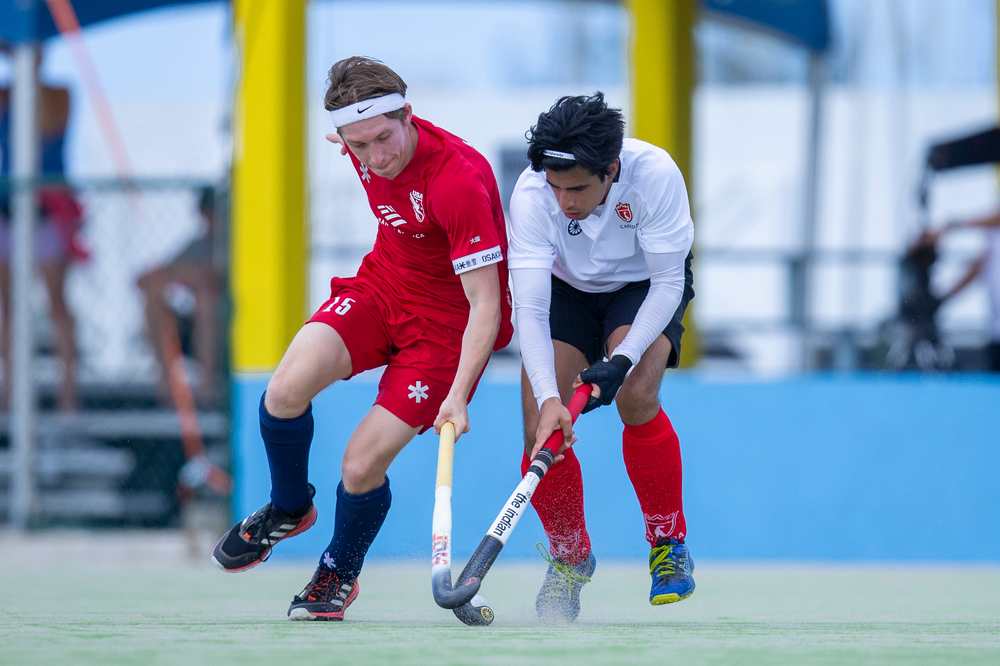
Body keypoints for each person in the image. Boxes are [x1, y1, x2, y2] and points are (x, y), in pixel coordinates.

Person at [212, 57, 513, 621]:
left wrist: (457, 394)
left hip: (445, 331)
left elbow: (487, 305)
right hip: (381, 289)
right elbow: (359, 137)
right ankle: (289, 508)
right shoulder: (362, 142)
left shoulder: (457, 182)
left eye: (383, 139)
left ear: (408, 116)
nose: (376, 157)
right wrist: (352, 140)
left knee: (358, 466)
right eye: (358, 145)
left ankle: (337, 573)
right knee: (284, 391)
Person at [508, 93, 695, 622]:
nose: (563, 201)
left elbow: (668, 282)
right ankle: (570, 557)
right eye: (555, 187)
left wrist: (621, 360)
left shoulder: (654, 175)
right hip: (565, 292)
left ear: (611, 169)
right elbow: (531, 308)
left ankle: (667, 541)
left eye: (578, 189)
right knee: (539, 427)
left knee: (635, 393)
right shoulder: (531, 194)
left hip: (643, 286)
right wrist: (550, 398)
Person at [0, 44, 86, 411]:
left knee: (56, 303)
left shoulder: (59, 93)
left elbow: (50, 128)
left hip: (48, 211)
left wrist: (29, 78)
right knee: (8, 307)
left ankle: (68, 393)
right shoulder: (6, 95)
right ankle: (10, 391)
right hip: (9, 209)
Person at [137, 186, 224, 404]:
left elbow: (214, 280)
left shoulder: (236, 248)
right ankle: (167, 384)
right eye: (208, 213)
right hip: (194, 334)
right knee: (154, 303)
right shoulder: (197, 246)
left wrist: (191, 275)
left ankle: (207, 388)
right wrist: (181, 274)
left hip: (226, 334)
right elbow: (144, 280)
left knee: (206, 302)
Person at [921, 211, 1000, 371]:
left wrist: (950, 226)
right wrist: (943, 298)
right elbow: (979, 267)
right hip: (995, 330)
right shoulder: (993, 236)